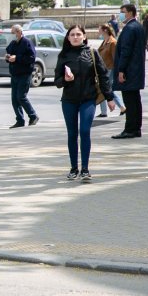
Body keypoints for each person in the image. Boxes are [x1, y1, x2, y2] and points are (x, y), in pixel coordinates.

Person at [54, 25, 115, 181]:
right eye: (72, 34)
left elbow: (103, 76)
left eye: (78, 34)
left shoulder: (92, 53)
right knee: (72, 133)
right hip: (69, 100)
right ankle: (74, 168)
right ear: (68, 38)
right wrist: (65, 80)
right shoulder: (64, 55)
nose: (75, 37)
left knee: (85, 131)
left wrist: (109, 98)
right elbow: (57, 81)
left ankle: (85, 169)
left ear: (84, 36)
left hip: (88, 99)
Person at [112, 3, 146, 139]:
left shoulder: (130, 28)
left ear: (131, 13)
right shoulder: (138, 27)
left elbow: (126, 51)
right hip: (136, 70)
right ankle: (136, 128)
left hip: (129, 71)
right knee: (135, 101)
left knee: (130, 102)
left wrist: (121, 70)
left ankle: (130, 129)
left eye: (123, 12)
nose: (121, 14)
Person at [6, 24, 40, 128]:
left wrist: (17, 58)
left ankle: (33, 115)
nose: (12, 35)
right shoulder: (13, 43)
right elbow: (8, 52)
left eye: (13, 33)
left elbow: (31, 57)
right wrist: (8, 57)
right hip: (14, 73)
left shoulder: (27, 42)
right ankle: (20, 120)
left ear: (19, 32)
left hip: (24, 74)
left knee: (21, 96)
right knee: (14, 99)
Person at [96, 24, 125, 118]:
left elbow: (115, 58)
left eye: (99, 29)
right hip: (103, 69)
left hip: (110, 69)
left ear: (105, 30)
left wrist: (118, 71)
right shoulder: (105, 41)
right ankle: (105, 111)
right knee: (104, 88)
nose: (98, 31)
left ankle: (122, 108)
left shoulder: (113, 42)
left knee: (106, 89)